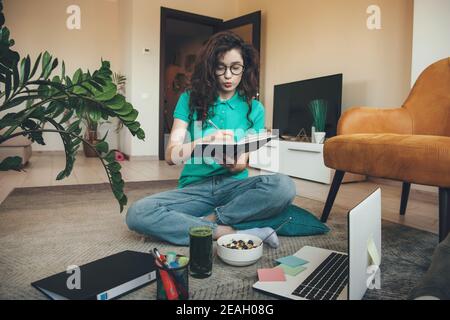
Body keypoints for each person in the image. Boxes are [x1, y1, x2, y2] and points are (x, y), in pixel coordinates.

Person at [126, 31, 296, 247]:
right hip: (195, 189)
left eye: (235, 68)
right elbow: (171, 155)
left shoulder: (255, 109)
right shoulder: (189, 99)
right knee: (138, 213)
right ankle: (225, 230)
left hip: (234, 188)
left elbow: (243, 162)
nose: (228, 75)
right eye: (220, 67)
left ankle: (208, 222)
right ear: (210, 68)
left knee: (284, 186)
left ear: (245, 69)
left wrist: (235, 165)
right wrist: (201, 143)